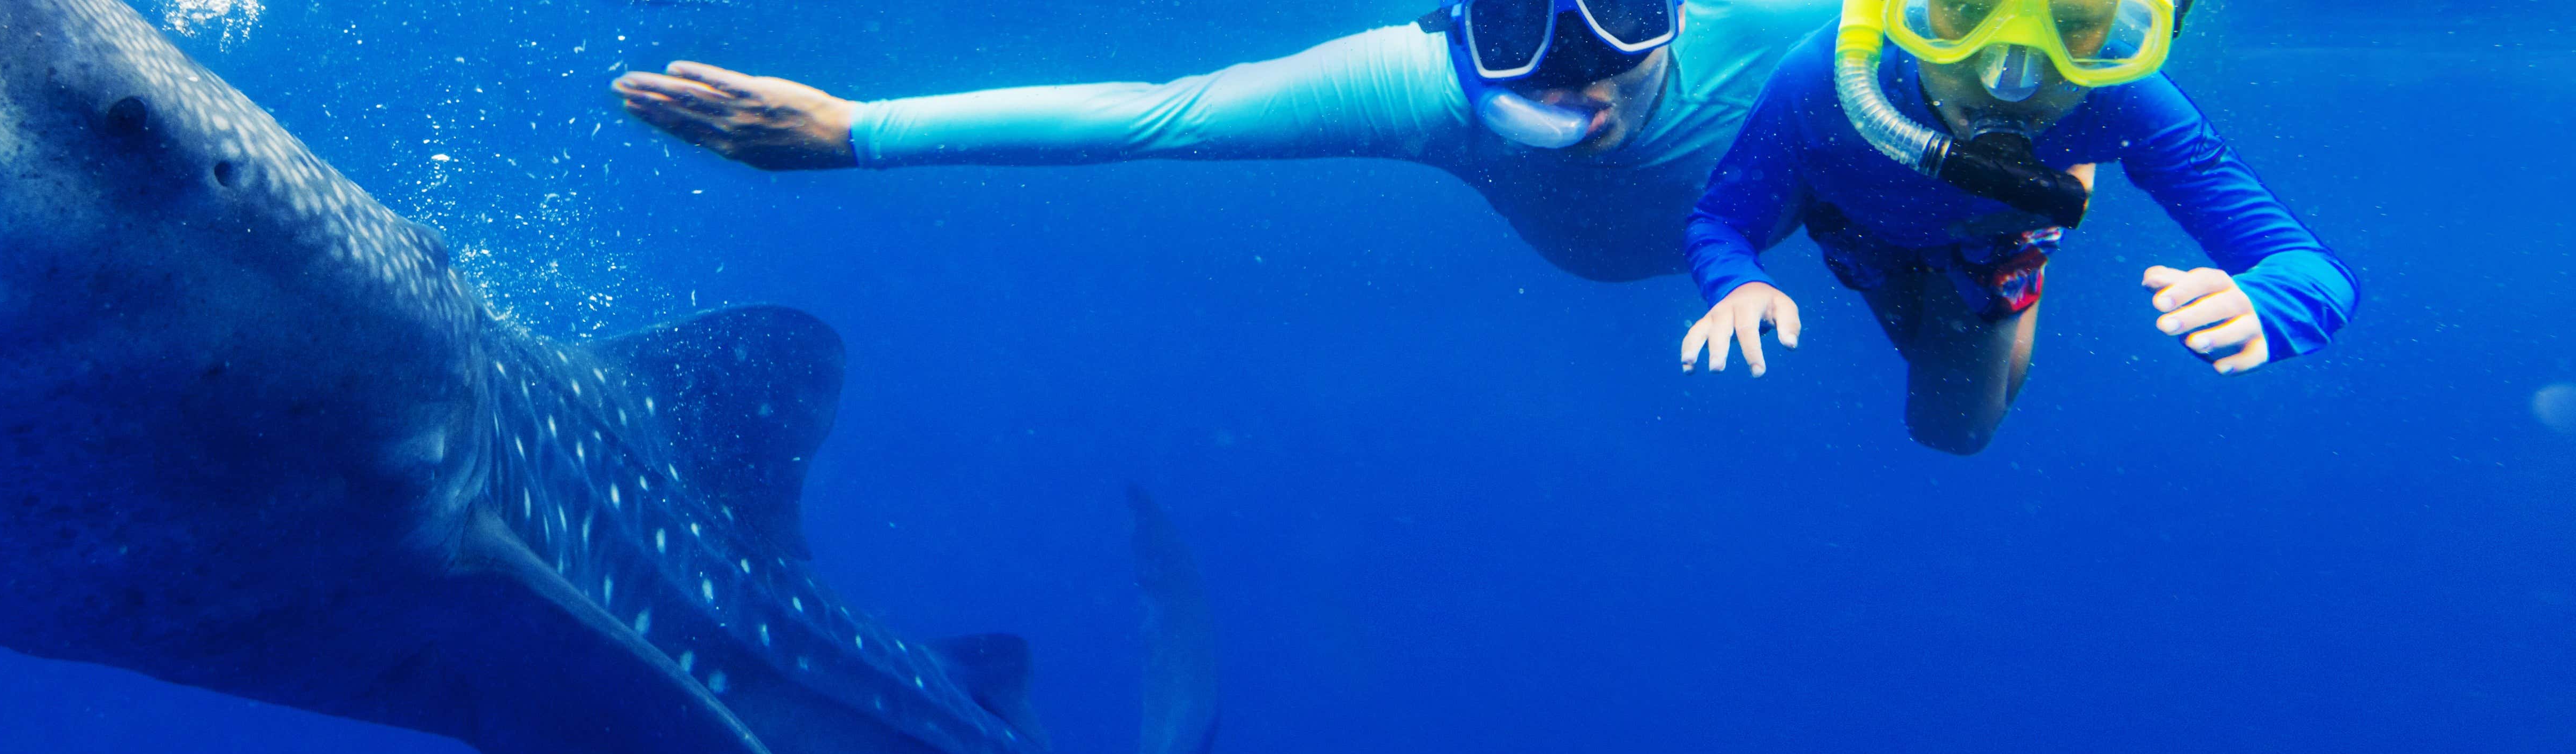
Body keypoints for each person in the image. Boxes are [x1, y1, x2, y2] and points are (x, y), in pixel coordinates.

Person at [615, 0, 1848, 284]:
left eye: (1623, 14)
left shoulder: (1786, 22)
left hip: (1821, 192)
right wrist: (853, 132)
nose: (1582, 76)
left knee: (1955, 417)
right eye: (1522, 26)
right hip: (1614, 255)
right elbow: (1161, 114)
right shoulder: (1415, 87)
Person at [1676, 0, 2357, 454]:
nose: (2009, 75)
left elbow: (2308, 266)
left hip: (1990, 235)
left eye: (2073, 21)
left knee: (1954, 432)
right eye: (1969, 11)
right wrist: (1735, 283)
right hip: (1860, 228)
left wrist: (2270, 304)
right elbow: (1721, 221)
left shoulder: (2126, 98)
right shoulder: (1820, 77)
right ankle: (2055, 196)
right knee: (1941, 411)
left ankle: (2028, 235)